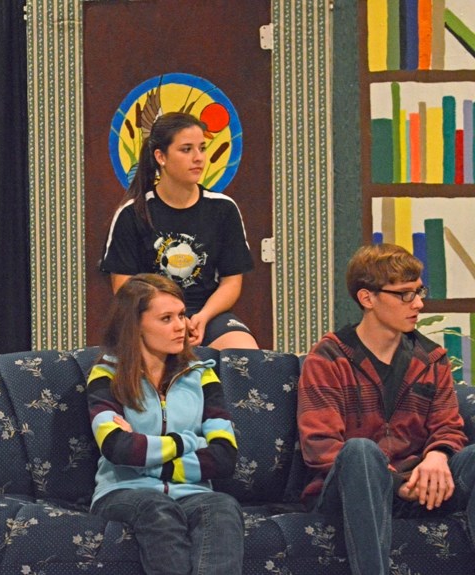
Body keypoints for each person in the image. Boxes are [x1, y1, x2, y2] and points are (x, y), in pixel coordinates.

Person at [297, 243, 475, 575]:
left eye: (419, 292)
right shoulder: (330, 356)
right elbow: (319, 446)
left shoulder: (431, 357)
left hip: (420, 490)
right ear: (368, 298)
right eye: (405, 295)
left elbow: (449, 427)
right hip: (352, 490)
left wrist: (437, 456)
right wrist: (394, 483)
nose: (418, 303)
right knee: (361, 452)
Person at [87, 273, 244, 575]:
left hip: (193, 492)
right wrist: (189, 441)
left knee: (223, 508)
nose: (181, 326)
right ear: (135, 325)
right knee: (159, 510)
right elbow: (117, 448)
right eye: (166, 318)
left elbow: (225, 456)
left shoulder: (202, 375)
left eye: (182, 315)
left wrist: (148, 456)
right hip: (123, 492)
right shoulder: (107, 375)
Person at [100, 111, 257, 350]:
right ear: (161, 156)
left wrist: (202, 317)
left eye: (202, 148)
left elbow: (231, 282)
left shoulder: (223, 209)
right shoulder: (132, 213)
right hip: (150, 317)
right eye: (186, 150)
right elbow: (123, 287)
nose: (199, 158)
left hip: (206, 313)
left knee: (245, 352)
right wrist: (169, 321)